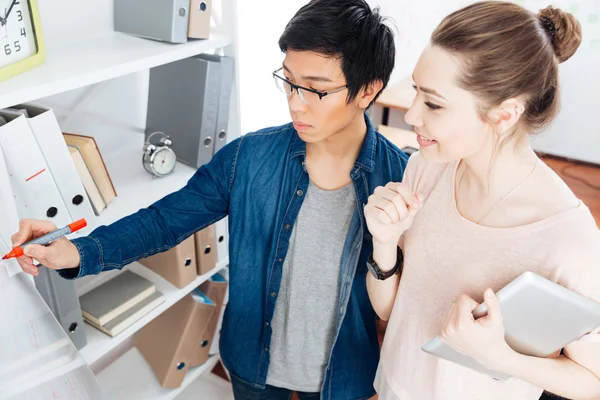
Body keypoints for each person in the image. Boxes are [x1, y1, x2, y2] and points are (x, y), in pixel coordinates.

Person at [11, 0, 406, 399]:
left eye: (316, 90)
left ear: (368, 90)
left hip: (347, 378)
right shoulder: (248, 158)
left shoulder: (400, 178)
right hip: (253, 366)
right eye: (288, 80)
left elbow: (406, 297)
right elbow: (164, 221)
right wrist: (76, 252)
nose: (294, 102)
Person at [364, 2, 600, 400]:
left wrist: (500, 357)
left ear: (504, 114)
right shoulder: (425, 169)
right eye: (417, 91)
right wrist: (384, 242)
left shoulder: (568, 239)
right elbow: (389, 312)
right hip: (393, 387)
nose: (413, 114)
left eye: (434, 103)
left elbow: (593, 380)